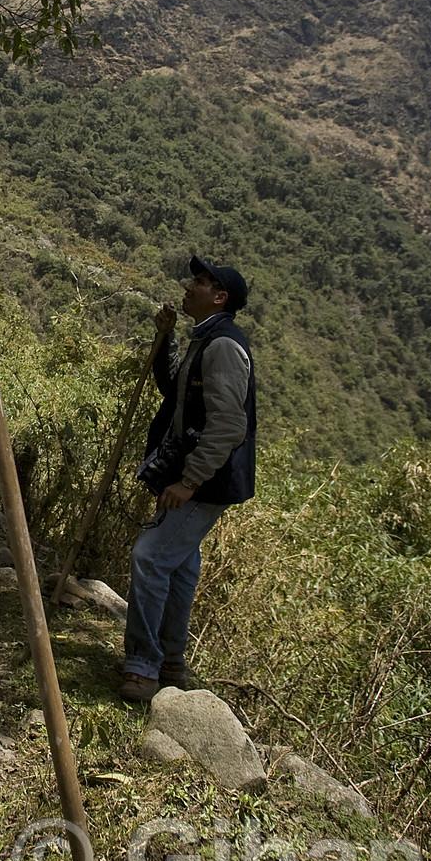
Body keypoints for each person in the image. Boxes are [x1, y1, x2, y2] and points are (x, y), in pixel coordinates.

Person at [120, 254, 257, 704]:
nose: (188, 285)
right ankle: (171, 663)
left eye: (199, 282)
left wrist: (190, 481)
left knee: (150, 557)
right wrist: (164, 339)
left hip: (205, 481)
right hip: (199, 478)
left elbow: (227, 426)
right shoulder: (205, 340)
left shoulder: (222, 347)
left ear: (220, 297)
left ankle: (143, 667)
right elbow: (174, 389)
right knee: (178, 566)